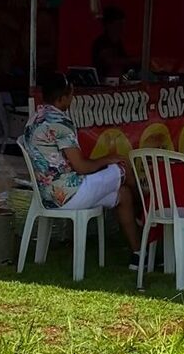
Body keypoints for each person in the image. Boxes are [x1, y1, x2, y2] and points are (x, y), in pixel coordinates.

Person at [22, 72, 141, 268]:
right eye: (71, 94)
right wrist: (107, 159)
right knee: (122, 166)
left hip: (47, 194)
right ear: (62, 98)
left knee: (124, 194)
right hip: (70, 194)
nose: (72, 98)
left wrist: (102, 163)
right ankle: (146, 212)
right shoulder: (60, 123)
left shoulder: (35, 118)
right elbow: (82, 167)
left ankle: (138, 255)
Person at [92, 6, 137, 80]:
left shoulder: (118, 43)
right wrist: (137, 60)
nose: (122, 28)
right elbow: (111, 62)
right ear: (108, 25)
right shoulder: (102, 42)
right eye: (119, 25)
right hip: (105, 82)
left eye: (123, 25)